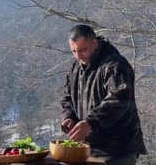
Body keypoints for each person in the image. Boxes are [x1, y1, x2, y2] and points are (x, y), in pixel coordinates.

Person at [60, 25, 147, 165]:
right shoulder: (75, 67)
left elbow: (119, 100)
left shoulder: (115, 65)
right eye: (74, 51)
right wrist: (68, 116)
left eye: (83, 50)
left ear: (94, 43)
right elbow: (67, 97)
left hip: (118, 150)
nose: (78, 56)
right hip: (88, 149)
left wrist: (90, 122)